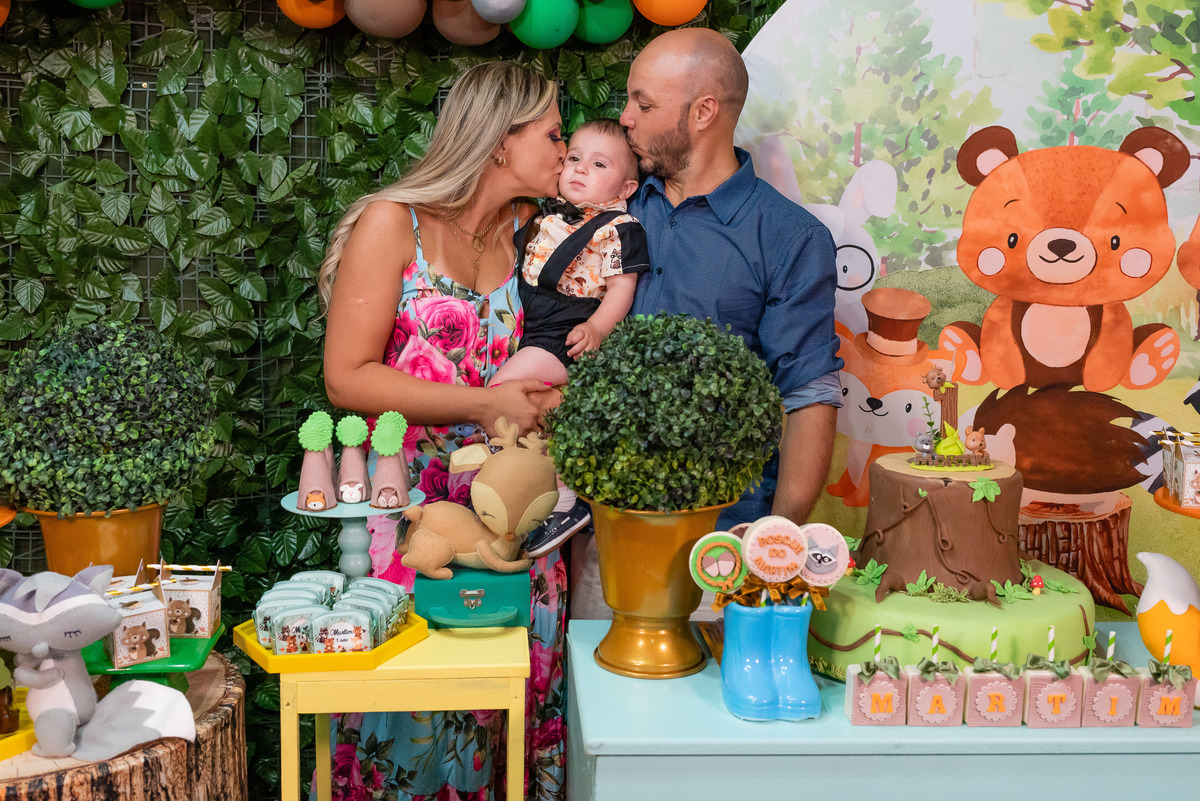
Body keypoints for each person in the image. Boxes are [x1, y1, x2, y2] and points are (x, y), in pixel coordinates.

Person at [320, 62, 569, 801]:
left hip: (516, 524)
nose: (565, 151)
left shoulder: (535, 234)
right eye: (553, 134)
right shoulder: (395, 224)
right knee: (411, 721)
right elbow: (347, 376)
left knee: (508, 720)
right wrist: (484, 405)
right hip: (412, 520)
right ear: (500, 141)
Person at [570, 29, 844, 620]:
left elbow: (810, 391)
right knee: (603, 700)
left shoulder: (790, 238)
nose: (625, 118)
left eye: (643, 104)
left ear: (703, 112)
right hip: (605, 529)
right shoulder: (611, 207)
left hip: (723, 537)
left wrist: (774, 535)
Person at [489, 118, 649, 559]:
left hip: (569, 327)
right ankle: (540, 494)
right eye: (574, 158)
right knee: (538, 416)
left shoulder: (619, 226)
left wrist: (597, 327)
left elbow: (622, 289)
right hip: (538, 324)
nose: (579, 169)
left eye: (598, 165)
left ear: (627, 187)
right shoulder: (545, 211)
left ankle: (563, 501)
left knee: (500, 394)